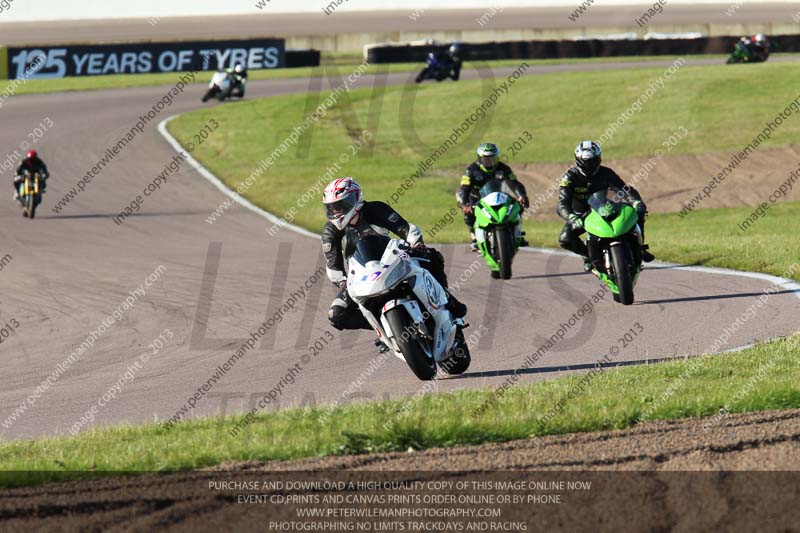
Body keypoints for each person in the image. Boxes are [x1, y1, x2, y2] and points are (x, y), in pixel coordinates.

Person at [322, 177, 467, 342]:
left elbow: (405, 228)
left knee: (431, 256)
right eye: (331, 208)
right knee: (336, 315)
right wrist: (342, 282)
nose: (336, 212)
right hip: (362, 276)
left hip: (393, 258)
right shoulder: (330, 231)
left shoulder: (375, 209)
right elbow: (333, 266)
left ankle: (447, 299)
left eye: (340, 206)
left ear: (356, 199)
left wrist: (416, 244)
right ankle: (385, 330)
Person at [557, 141, 654, 271]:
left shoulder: (606, 173)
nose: (590, 165)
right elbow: (562, 203)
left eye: (594, 160)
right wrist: (571, 217)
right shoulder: (569, 177)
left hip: (602, 209)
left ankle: (639, 247)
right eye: (586, 162)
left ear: (599, 158)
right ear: (578, 160)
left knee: (638, 212)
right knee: (565, 239)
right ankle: (587, 255)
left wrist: (635, 201)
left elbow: (623, 189)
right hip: (581, 216)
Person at [457, 143, 529, 250]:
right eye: (486, 159)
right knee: (469, 212)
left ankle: (516, 232)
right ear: (479, 158)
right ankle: (474, 235)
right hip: (477, 199)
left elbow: (514, 183)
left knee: (517, 206)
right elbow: (464, 188)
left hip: (498, 197)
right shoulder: (471, 170)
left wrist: (521, 195)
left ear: (497, 157)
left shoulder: (503, 168)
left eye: (492, 158)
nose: (489, 162)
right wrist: (464, 203)